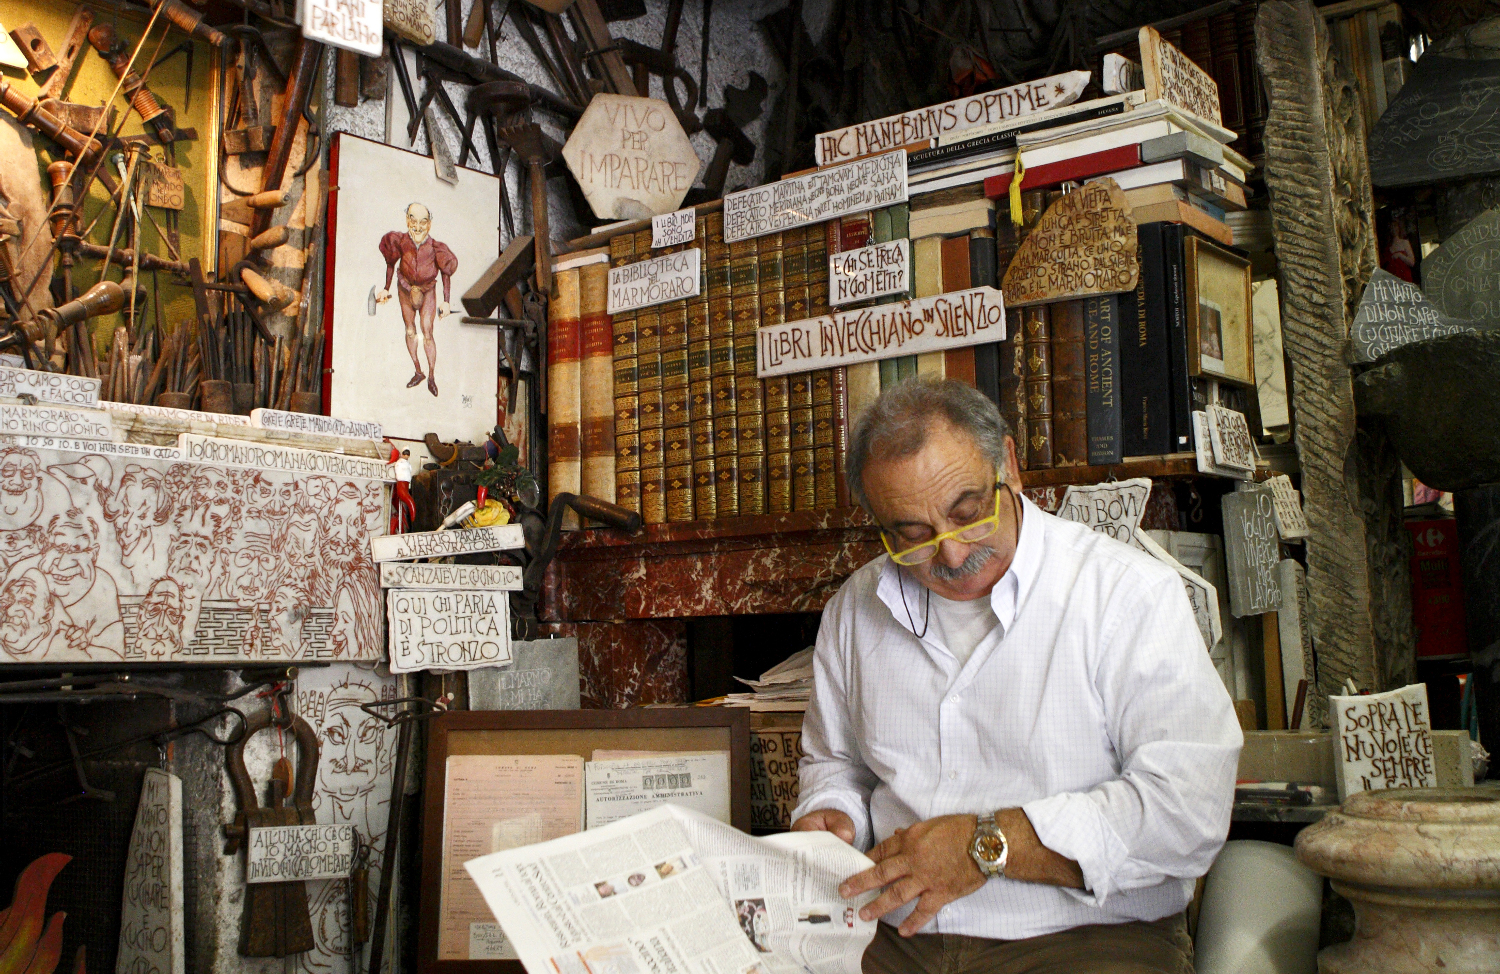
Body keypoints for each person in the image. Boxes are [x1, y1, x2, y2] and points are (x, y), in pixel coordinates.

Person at [790, 379, 1241, 974]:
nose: (951, 555)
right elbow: (837, 763)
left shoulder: (1125, 595)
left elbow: (1189, 812)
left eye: (966, 513)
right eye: (913, 535)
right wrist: (833, 811)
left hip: (1081, 935)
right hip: (892, 936)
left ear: (1009, 465)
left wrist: (987, 846)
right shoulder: (856, 607)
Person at [375, 202, 458, 396]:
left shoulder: (436, 248)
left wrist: (446, 300)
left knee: (427, 333)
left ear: (429, 224)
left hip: (428, 291)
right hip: (404, 289)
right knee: (410, 330)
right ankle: (418, 371)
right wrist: (386, 288)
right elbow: (390, 263)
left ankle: (431, 376)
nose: (418, 226)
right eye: (413, 221)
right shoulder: (400, 241)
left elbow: (446, 273)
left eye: (423, 222)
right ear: (407, 220)